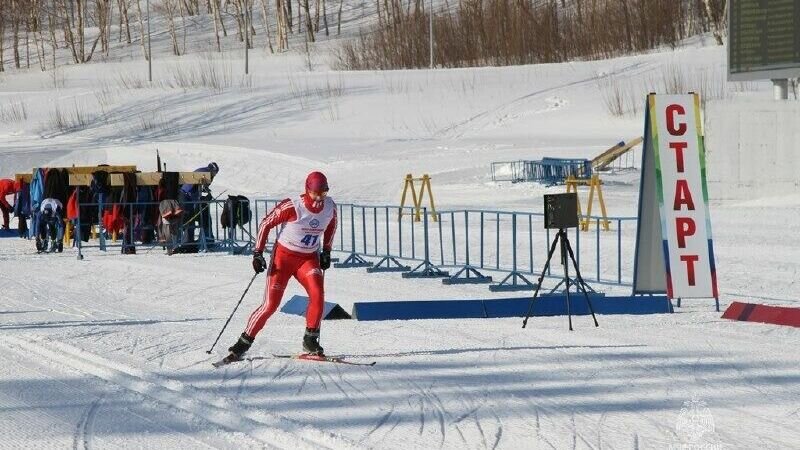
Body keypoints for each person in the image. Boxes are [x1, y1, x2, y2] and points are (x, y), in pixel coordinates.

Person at [226, 171, 338, 360]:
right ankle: (244, 342)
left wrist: (326, 250)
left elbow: (331, 226)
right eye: (315, 194)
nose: (319, 198)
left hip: (308, 258)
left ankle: (310, 339)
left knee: (318, 295)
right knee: (270, 305)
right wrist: (258, 253)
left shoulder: (330, 206)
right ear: (307, 190)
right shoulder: (293, 205)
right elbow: (265, 224)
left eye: (323, 193)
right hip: (283, 258)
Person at [181, 162, 219, 248]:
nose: (214, 175)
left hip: (191, 196)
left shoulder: (204, 172)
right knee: (190, 219)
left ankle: (205, 239)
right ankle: (188, 242)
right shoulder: (204, 173)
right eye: (214, 173)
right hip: (187, 196)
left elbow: (201, 187)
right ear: (211, 170)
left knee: (202, 218)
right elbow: (200, 185)